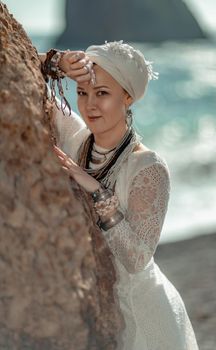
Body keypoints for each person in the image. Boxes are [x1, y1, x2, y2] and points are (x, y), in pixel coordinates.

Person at [39, 41, 199, 350]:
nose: (89, 105)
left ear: (127, 97)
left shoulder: (148, 167)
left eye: (102, 93)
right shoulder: (75, 139)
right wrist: (57, 61)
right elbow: (16, 64)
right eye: (83, 93)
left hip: (141, 316)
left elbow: (137, 259)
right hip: (86, 305)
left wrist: (98, 192)